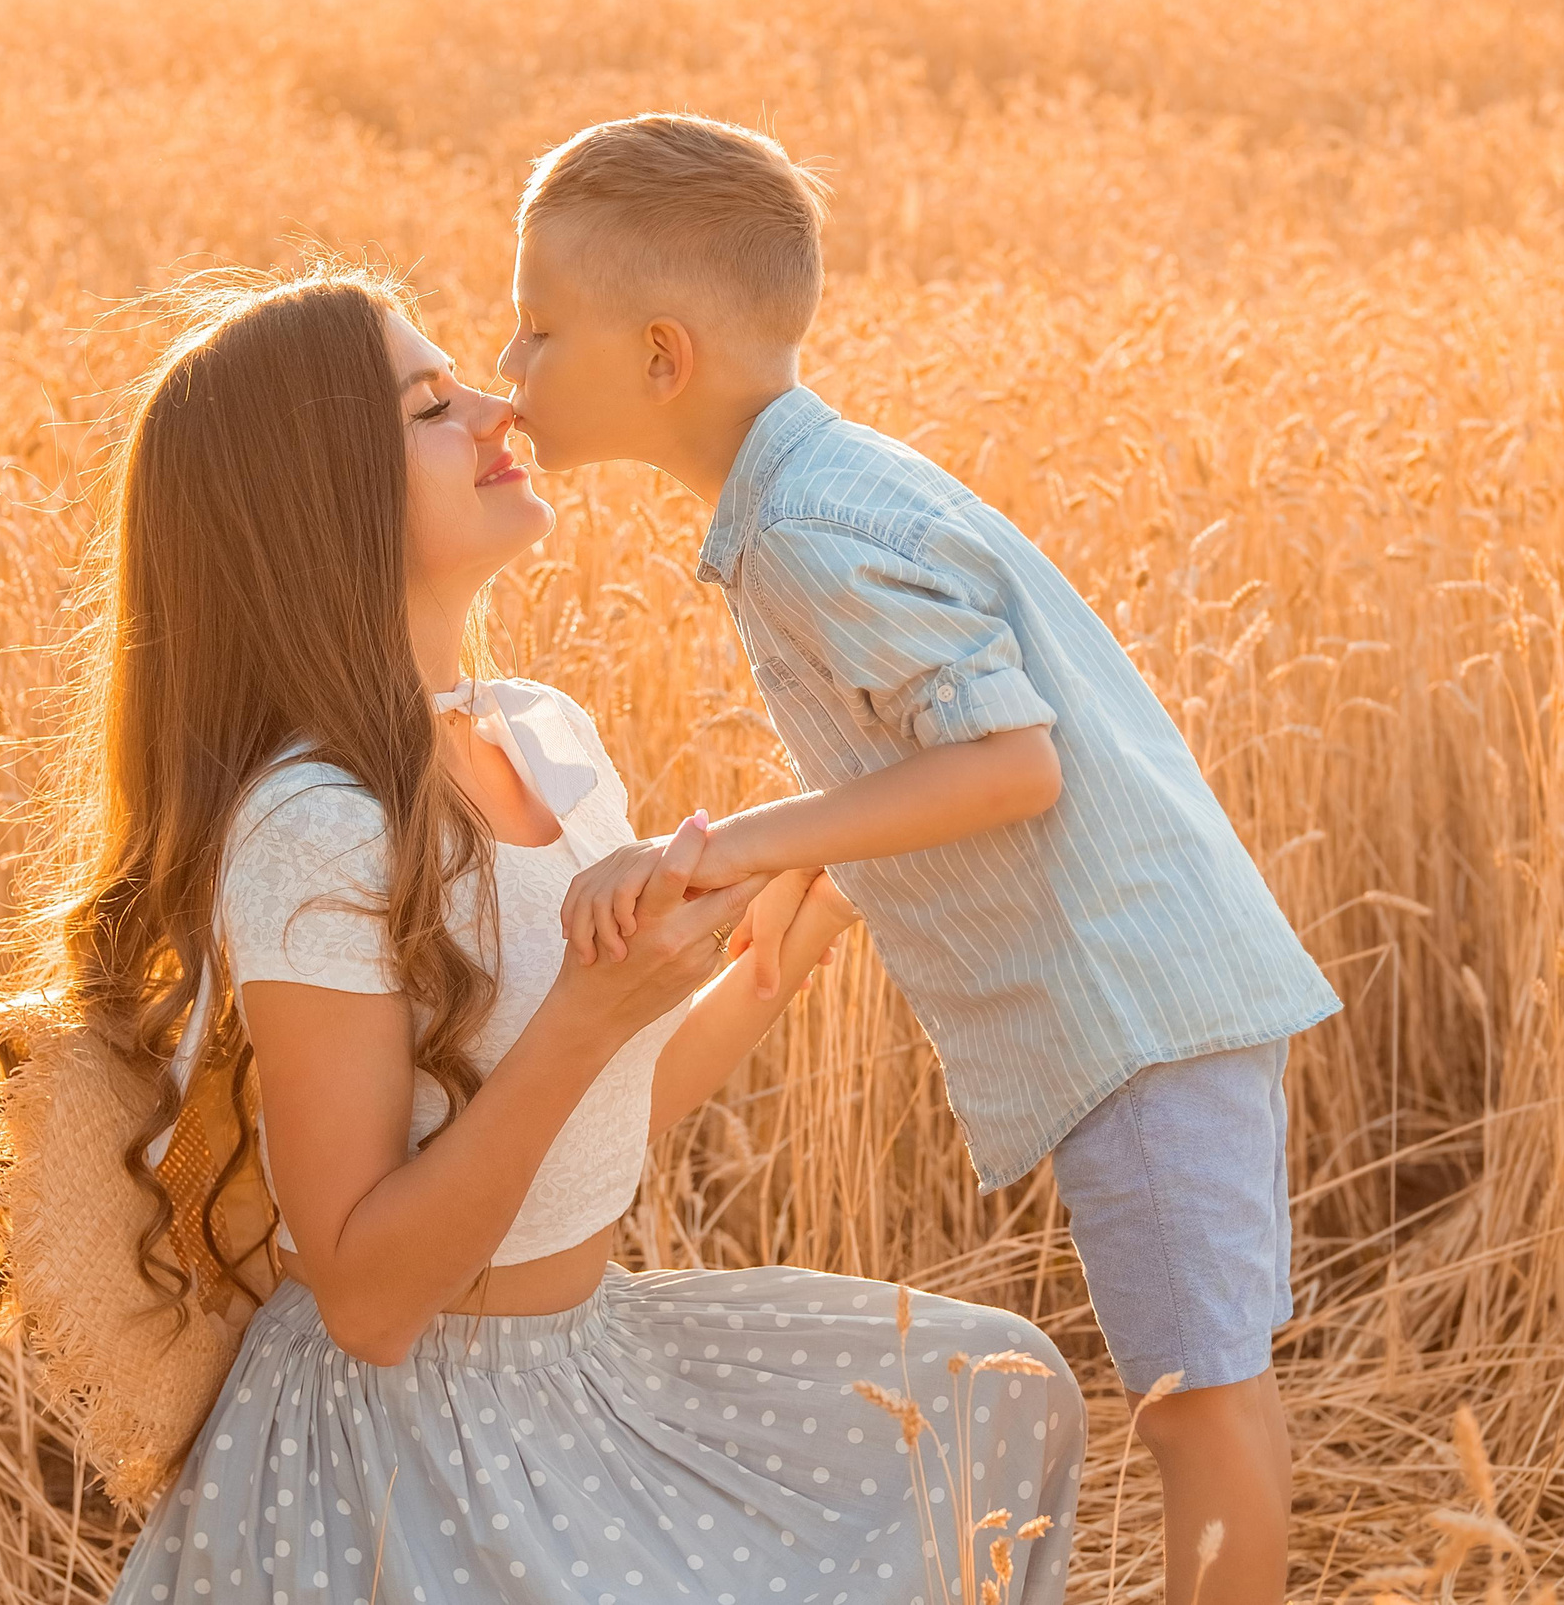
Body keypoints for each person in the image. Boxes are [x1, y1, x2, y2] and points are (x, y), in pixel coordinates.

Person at [22, 265, 1083, 1605]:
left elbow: (586, 1135)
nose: (496, 405)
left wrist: (762, 967)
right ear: (324, 498)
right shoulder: (314, 827)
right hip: (414, 1452)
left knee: (997, 1399)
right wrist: (592, 1012)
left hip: (586, 1361)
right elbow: (367, 1298)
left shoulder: (541, 735)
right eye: (429, 405)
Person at [501, 114, 1342, 1605]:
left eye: (538, 327)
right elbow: (917, 757)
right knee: (1214, 1389)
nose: (507, 368)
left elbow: (1011, 766)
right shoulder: (823, 485)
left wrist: (732, 846)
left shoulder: (805, 531)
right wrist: (782, 893)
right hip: (1153, 982)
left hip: (1127, 1002)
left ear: (659, 356)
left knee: (1197, 1403)